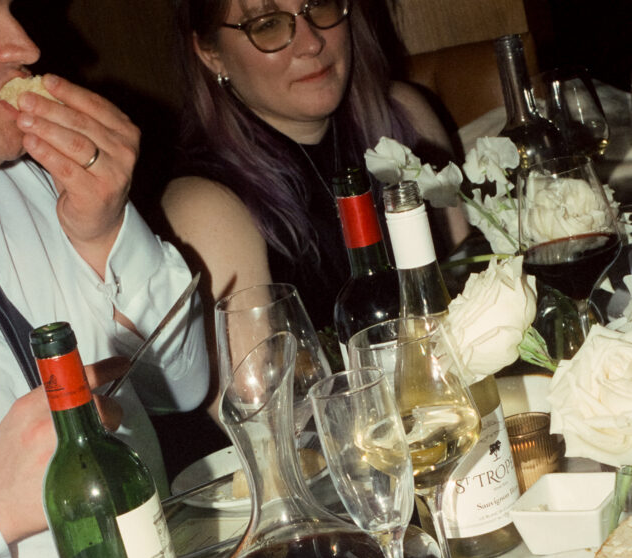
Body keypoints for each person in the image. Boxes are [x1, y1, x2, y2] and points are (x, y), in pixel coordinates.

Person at [0, 0, 209, 558]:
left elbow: (182, 384)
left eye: (11, 10)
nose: (24, 47)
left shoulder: (30, 177)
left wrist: (104, 232)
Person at [161, 0, 470, 403]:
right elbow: (268, 426)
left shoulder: (406, 116)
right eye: (267, 24)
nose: (311, 42)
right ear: (211, 53)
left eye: (319, 4)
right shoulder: (204, 204)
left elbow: (471, 293)